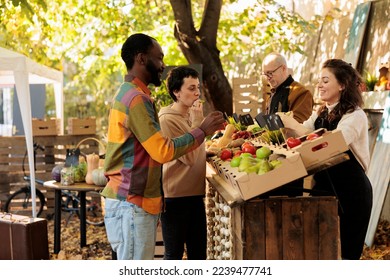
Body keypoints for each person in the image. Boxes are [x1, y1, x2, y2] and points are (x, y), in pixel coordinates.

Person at [101, 33, 225, 260]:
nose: (163, 66)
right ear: (141, 58)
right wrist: (201, 130)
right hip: (131, 203)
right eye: (159, 58)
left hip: (131, 202)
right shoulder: (136, 99)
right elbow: (162, 150)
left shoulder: (128, 93)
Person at [278, 58, 373, 260]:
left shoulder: (354, 115)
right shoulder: (320, 112)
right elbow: (302, 136)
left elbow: (333, 143)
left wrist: (292, 123)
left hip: (351, 193)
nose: (319, 85)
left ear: (342, 85)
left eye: (325, 80)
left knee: (348, 253)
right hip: (323, 189)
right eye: (318, 80)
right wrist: (285, 128)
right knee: (318, 248)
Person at [158, 66, 207, 260]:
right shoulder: (167, 119)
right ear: (176, 92)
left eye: (198, 87)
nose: (197, 93)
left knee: (198, 255)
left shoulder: (189, 115)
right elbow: (189, 157)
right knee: (174, 256)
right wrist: (198, 125)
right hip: (175, 198)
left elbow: (198, 149)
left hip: (195, 195)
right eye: (191, 88)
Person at [262, 52, 313, 123]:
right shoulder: (273, 93)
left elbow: (300, 126)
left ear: (283, 68)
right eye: (265, 74)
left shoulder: (300, 93)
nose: (267, 78)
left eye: (270, 73)